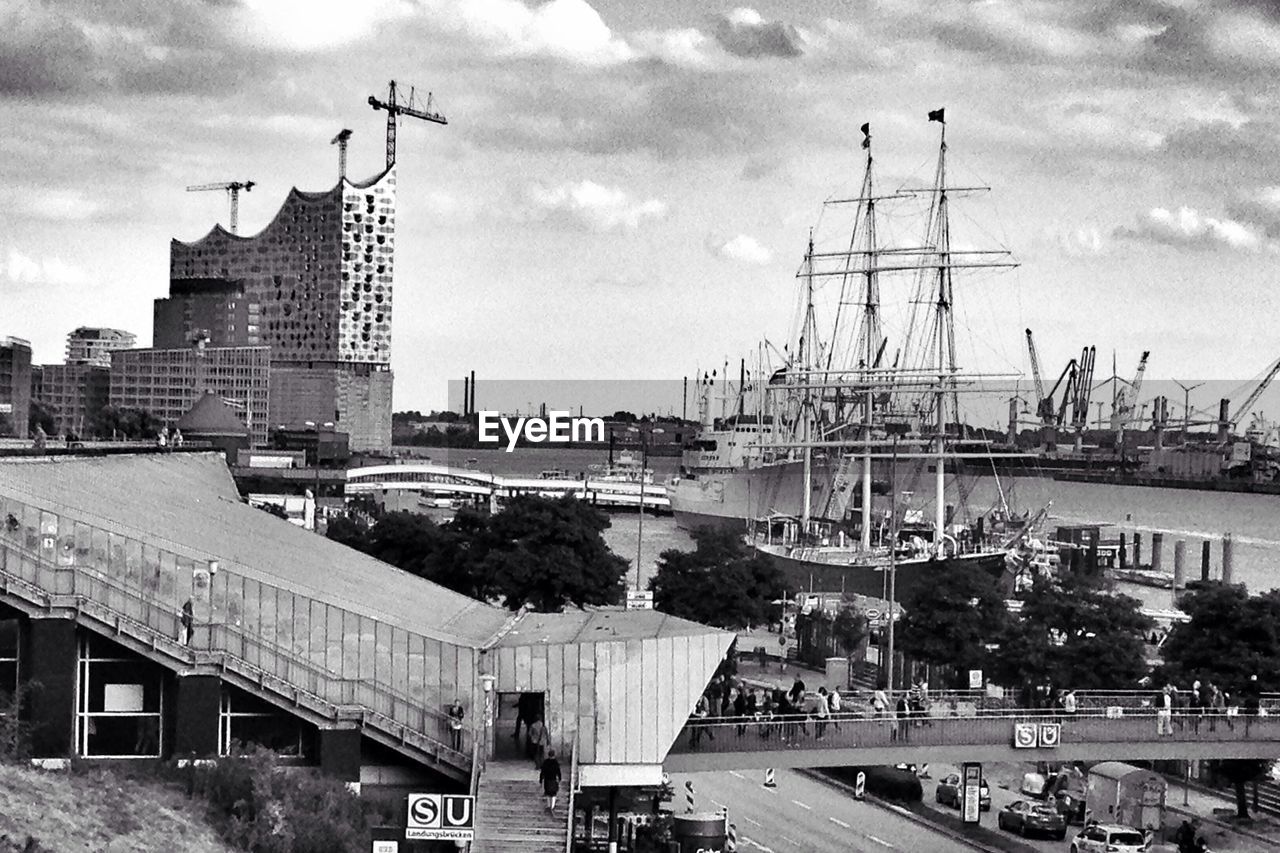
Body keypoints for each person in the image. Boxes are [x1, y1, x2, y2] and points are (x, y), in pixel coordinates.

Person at [539, 748, 562, 814]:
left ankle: (548, 806)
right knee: (553, 794)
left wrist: (541, 780)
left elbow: (542, 772)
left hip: (547, 780)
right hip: (553, 780)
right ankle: (552, 806)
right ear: (554, 755)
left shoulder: (545, 762)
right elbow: (558, 771)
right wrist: (560, 778)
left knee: (548, 793)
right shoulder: (556, 762)